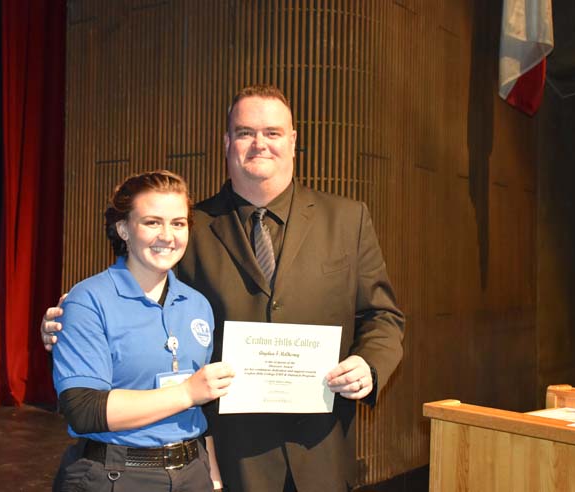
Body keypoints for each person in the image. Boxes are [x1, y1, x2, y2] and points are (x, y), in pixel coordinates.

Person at [43, 85, 404, 491]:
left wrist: (369, 366)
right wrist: (68, 321)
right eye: (246, 132)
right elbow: (141, 303)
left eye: (272, 132)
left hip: (320, 447)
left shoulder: (348, 219)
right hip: (225, 456)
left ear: (293, 141)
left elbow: (383, 316)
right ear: (228, 141)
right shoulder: (187, 228)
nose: (259, 143)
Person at [50, 170, 234, 492]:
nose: (167, 235)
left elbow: (206, 402)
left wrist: (213, 476)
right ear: (123, 229)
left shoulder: (198, 305)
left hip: (193, 473)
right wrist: (186, 392)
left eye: (178, 223)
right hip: (114, 475)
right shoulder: (88, 300)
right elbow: (84, 410)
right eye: (152, 222)